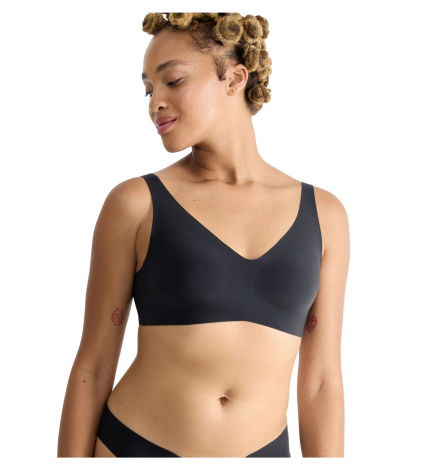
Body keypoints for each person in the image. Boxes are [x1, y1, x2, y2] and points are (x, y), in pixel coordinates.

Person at [57, 12, 349, 458]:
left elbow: (322, 382)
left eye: (172, 81)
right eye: (149, 90)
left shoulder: (324, 215)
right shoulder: (136, 204)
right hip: (137, 449)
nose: (155, 103)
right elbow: (94, 366)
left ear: (235, 78)